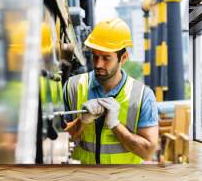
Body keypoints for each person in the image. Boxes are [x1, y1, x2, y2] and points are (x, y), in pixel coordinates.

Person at [63, 18, 159, 164]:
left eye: (106, 58)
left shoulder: (142, 95)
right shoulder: (73, 86)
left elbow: (148, 152)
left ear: (124, 57)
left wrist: (115, 125)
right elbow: (57, 140)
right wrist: (81, 121)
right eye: (95, 56)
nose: (98, 64)